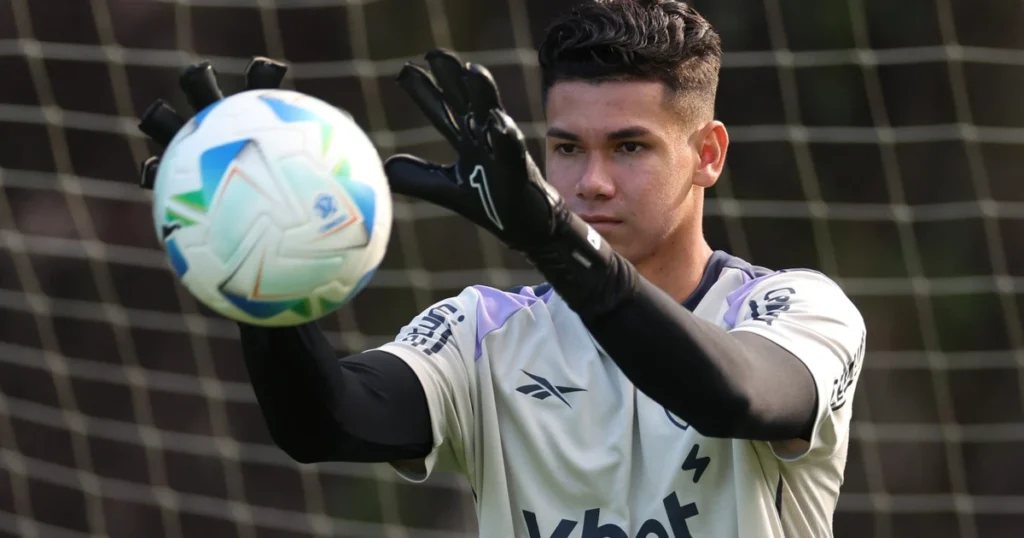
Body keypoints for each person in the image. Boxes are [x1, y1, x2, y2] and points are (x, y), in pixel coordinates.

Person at [138, 1, 865, 536]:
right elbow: (325, 422)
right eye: (568, 148)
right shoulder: (483, 332)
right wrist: (256, 275)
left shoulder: (797, 309)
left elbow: (730, 398)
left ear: (707, 153)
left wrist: (559, 243)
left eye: (630, 147)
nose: (592, 183)